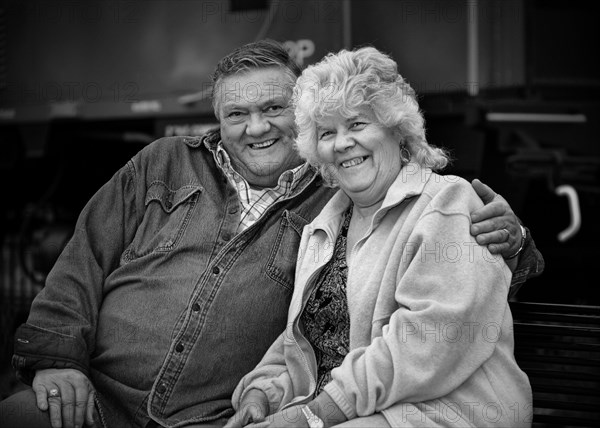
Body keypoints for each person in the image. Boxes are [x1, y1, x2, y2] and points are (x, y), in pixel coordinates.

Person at [0, 40, 541, 428]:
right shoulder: (164, 164)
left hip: (208, 417)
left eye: (273, 109)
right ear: (217, 119)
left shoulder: (334, 196)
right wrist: (57, 360)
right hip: (98, 396)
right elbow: (82, 260)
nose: (255, 127)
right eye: (237, 113)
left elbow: (451, 292)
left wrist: (514, 243)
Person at [226, 46, 534, 428]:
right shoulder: (323, 227)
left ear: (396, 128)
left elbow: (427, 342)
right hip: (359, 412)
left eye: (356, 124)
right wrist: (262, 394)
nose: (341, 144)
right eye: (327, 132)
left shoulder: (446, 204)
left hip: (443, 413)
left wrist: (315, 416)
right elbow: (305, 343)